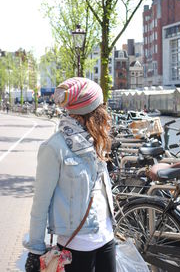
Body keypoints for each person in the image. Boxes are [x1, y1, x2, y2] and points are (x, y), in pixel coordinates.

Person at [24, 77, 116, 272]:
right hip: (76, 246)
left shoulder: (95, 140)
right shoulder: (54, 148)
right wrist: (35, 249)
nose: (105, 112)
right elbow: (40, 203)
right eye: (101, 107)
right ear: (91, 111)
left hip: (106, 237)